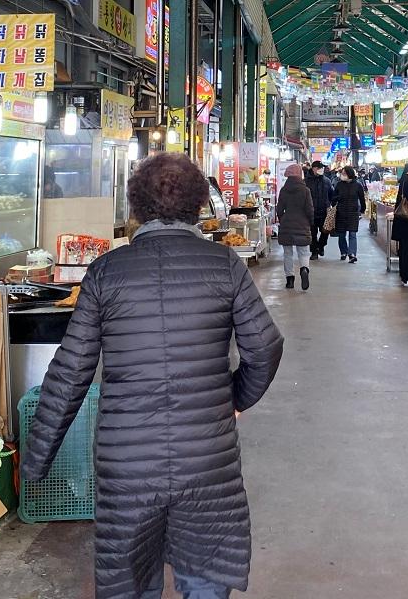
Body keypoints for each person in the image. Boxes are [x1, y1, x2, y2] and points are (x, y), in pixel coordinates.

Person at [21, 152, 284, 599]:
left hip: (127, 461)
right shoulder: (225, 265)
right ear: (198, 205)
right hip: (206, 457)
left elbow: (70, 371)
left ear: (137, 206)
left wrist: (35, 461)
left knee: (129, 576)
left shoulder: (106, 272)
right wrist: (233, 398)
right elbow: (266, 346)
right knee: (206, 569)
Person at [276, 162, 315, 291]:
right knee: (303, 252)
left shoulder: (284, 190)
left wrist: (283, 220)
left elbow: (279, 209)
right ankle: (304, 269)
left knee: (287, 253)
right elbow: (309, 209)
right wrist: (310, 222)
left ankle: (290, 280)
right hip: (302, 222)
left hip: (287, 222)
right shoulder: (305, 190)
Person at [333, 166, 367, 263]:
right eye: (342, 173)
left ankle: (352, 254)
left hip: (353, 213)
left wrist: (362, 210)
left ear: (349, 174)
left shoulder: (358, 185)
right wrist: (336, 199)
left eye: (344, 173)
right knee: (341, 235)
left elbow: (362, 199)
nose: (342, 175)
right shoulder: (339, 185)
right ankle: (343, 252)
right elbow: (333, 198)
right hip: (341, 212)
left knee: (352, 234)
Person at [305, 160, 335, 260]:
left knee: (325, 232)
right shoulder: (306, 181)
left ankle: (321, 246)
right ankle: (314, 252)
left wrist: (328, 204)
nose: (321, 170)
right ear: (313, 168)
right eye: (319, 168)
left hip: (324, 212)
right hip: (311, 212)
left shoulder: (327, 181)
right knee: (312, 234)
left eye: (321, 168)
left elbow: (331, 195)